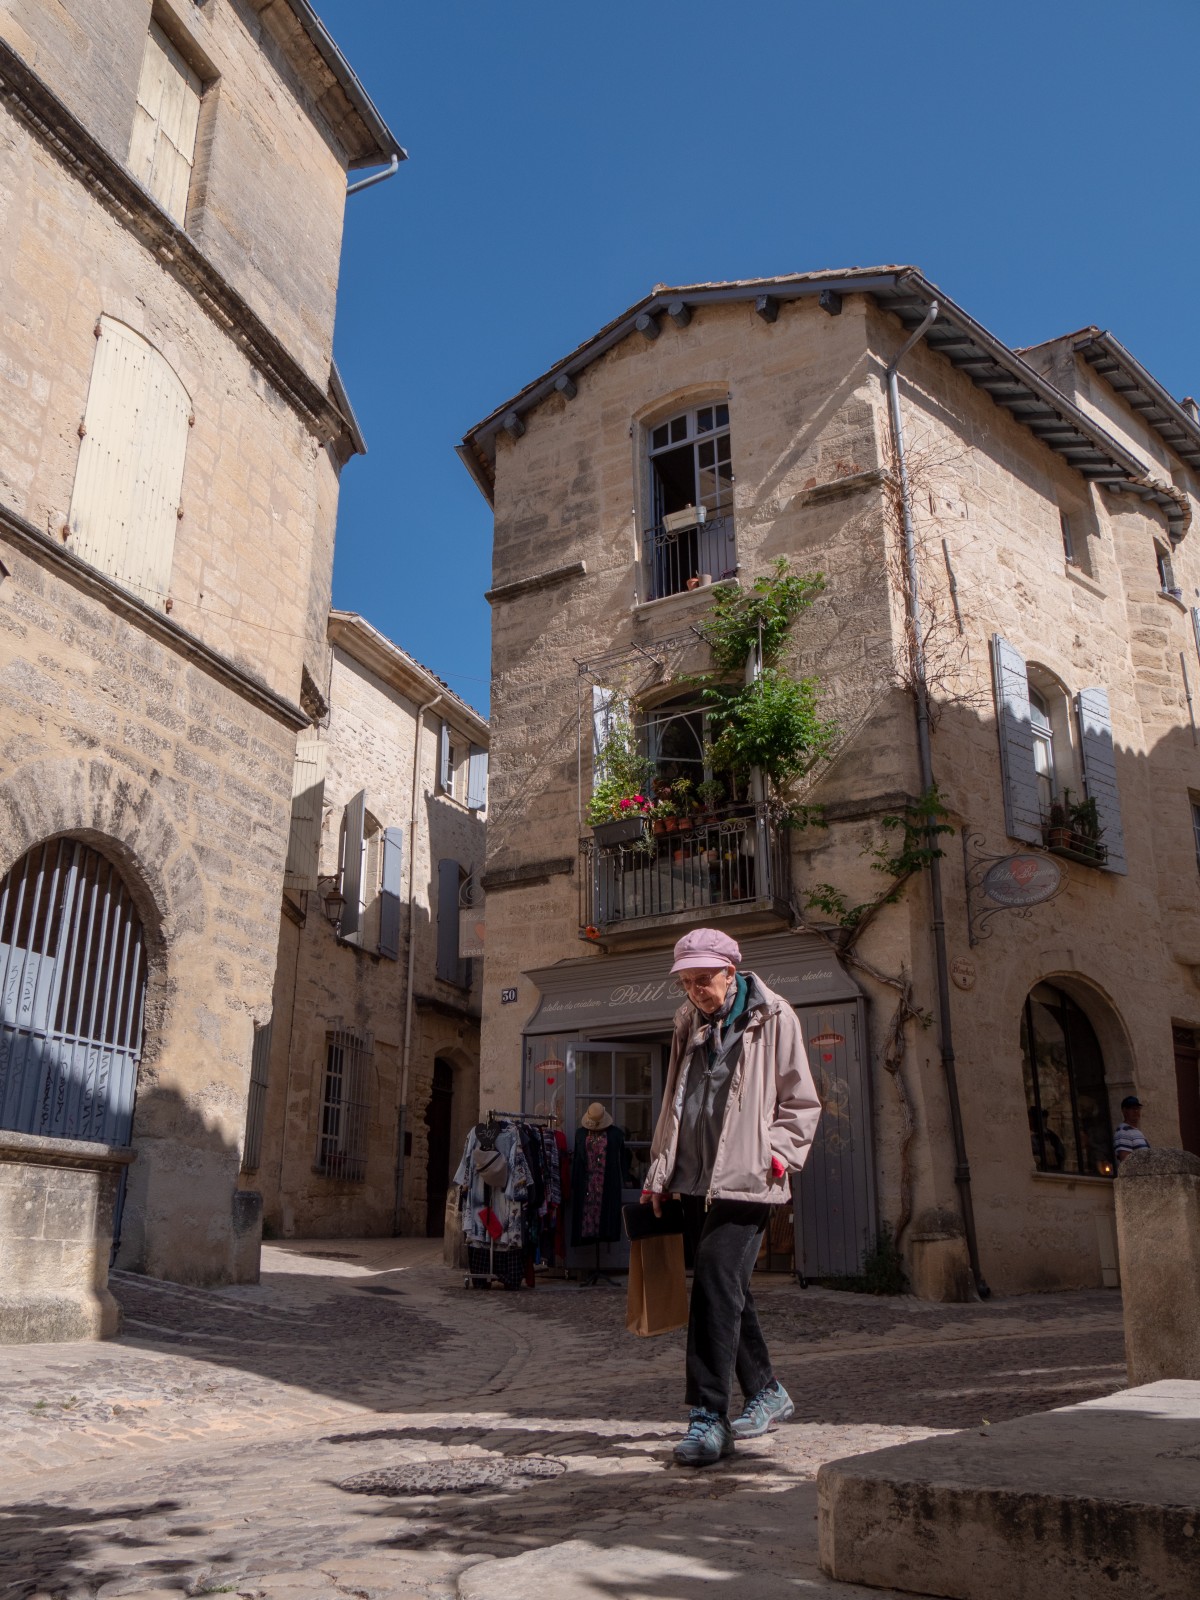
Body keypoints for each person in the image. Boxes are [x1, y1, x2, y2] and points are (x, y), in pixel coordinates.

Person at [641, 928, 822, 1467]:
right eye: (687, 981)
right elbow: (675, 1098)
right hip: (694, 1178)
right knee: (726, 1287)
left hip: (749, 1177)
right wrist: (660, 1170)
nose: (695, 989)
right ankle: (766, 1391)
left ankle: (708, 1416)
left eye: (704, 978)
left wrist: (779, 1155)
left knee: (714, 1283)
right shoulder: (686, 1023)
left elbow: (801, 1100)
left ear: (730, 971)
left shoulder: (773, 1016)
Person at [1114, 1095, 1150, 1164]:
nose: (1136, 1111)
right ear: (1124, 1111)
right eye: (1132, 1109)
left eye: (1138, 1108)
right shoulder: (1123, 1132)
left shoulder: (1137, 1131)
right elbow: (1126, 1161)